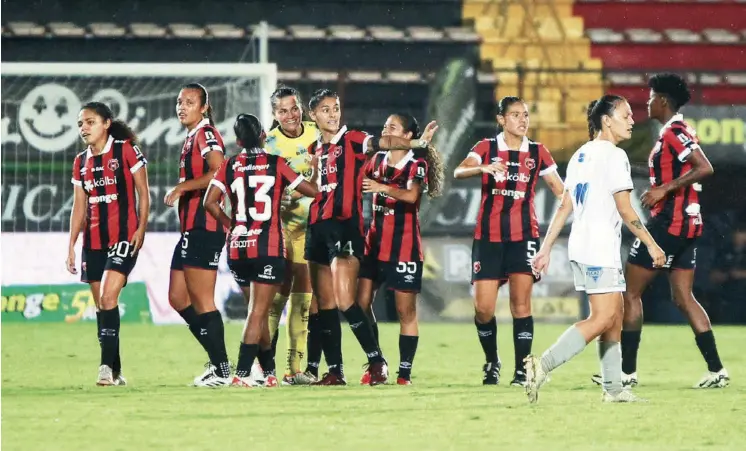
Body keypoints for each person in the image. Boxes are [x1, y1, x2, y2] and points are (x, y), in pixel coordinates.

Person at [592, 73, 729, 389]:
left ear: (663, 101)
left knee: (631, 292)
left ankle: (626, 373)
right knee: (683, 297)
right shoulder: (676, 131)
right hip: (687, 225)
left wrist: (662, 190)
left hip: (670, 224)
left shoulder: (674, 132)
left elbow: (705, 167)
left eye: (652, 96)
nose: (647, 101)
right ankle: (717, 369)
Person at [525, 95, 665, 404]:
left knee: (614, 315)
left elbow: (565, 205)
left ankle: (613, 388)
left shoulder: (581, 155)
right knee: (603, 318)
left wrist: (546, 249)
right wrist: (652, 244)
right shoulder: (614, 156)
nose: (632, 120)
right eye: (626, 115)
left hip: (583, 245)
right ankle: (541, 366)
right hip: (600, 247)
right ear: (607, 120)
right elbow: (626, 209)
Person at [304, 89, 438, 385]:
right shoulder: (315, 148)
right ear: (313, 115)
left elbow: (384, 142)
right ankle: (335, 371)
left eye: (336, 108)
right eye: (325, 110)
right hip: (317, 226)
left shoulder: (352, 140)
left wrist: (417, 142)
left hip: (345, 227)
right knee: (324, 303)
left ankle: (377, 360)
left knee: (344, 301)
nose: (333, 114)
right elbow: (317, 187)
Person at [452, 97, 565, 386]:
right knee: (484, 309)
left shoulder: (538, 152)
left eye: (525, 114)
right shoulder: (486, 148)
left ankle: (521, 370)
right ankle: (492, 361)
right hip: (488, 237)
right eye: (515, 115)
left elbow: (561, 192)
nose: (522, 120)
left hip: (524, 236)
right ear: (501, 119)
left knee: (521, 305)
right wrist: (483, 169)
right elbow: (458, 171)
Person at [203, 113, 319, 388]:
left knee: (258, 311)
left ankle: (268, 373)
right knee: (258, 313)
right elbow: (312, 190)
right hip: (267, 247)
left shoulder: (230, 165)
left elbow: (209, 202)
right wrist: (314, 170)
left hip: (238, 247)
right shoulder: (276, 164)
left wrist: (230, 225)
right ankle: (242, 374)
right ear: (264, 137)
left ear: (238, 140)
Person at [356, 113, 445, 385]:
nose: (386, 131)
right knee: (360, 304)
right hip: (374, 243)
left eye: (392, 127)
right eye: (385, 127)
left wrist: (382, 187)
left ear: (407, 136)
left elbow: (411, 196)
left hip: (404, 247)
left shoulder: (416, 164)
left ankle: (404, 373)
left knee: (405, 312)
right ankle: (377, 361)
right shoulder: (376, 161)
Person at [66, 101, 150, 386]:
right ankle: (115, 370)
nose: (84, 128)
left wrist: (141, 227)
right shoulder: (81, 161)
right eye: (80, 124)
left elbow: (143, 192)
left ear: (106, 123)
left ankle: (104, 368)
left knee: (108, 297)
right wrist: (71, 246)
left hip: (124, 237)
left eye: (89, 122)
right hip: (94, 242)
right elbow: (79, 207)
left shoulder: (125, 150)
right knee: (102, 309)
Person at [163, 83, 230, 387]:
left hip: (206, 226)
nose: (182, 107)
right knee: (177, 298)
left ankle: (222, 370)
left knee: (203, 300)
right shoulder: (192, 136)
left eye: (190, 102)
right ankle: (219, 360)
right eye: (180, 102)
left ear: (204, 107)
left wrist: (182, 187)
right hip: (190, 228)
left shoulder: (206, 134)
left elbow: (219, 172)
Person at [260, 86, 321, 385]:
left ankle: (293, 369)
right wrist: (278, 199)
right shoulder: (269, 144)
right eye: (282, 111)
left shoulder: (317, 132)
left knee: (303, 299)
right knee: (277, 299)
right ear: (274, 115)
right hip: (283, 228)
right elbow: (258, 183)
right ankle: (263, 366)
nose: (290, 115)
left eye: (293, 108)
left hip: (313, 229)